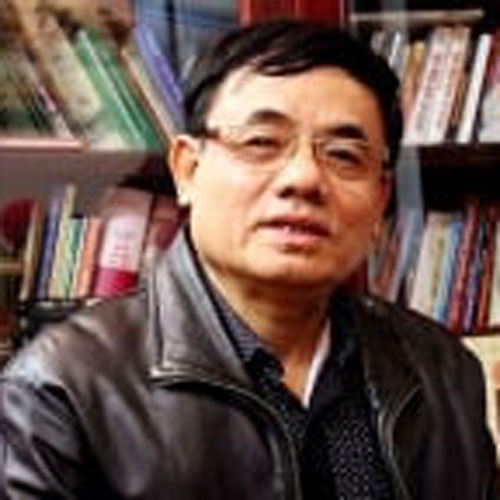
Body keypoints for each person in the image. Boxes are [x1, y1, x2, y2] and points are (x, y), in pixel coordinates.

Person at [0, 19, 497, 500]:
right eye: (262, 143)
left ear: (381, 196)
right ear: (187, 170)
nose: (303, 179)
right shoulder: (62, 388)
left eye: (344, 154)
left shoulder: (442, 372)